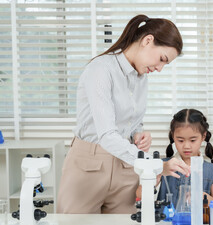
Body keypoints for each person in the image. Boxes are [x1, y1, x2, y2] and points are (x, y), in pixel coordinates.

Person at [57, 14, 190, 214]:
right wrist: (155, 166)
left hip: (126, 167)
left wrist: (138, 134)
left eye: (166, 64)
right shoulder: (101, 69)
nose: (160, 68)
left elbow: (131, 122)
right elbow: (107, 135)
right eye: (162, 59)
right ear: (147, 40)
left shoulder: (141, 77)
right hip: (89, 166)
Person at [136, 109, 213, 206]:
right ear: (173, 136)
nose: (186, 146)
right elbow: (139, 194)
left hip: (198, 221)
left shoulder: (212, 171)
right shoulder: (162, 166)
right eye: (180, 140)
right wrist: (152, 182)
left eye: (193, 140)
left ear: (203, 136)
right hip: (165, 221)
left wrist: (204, 198)